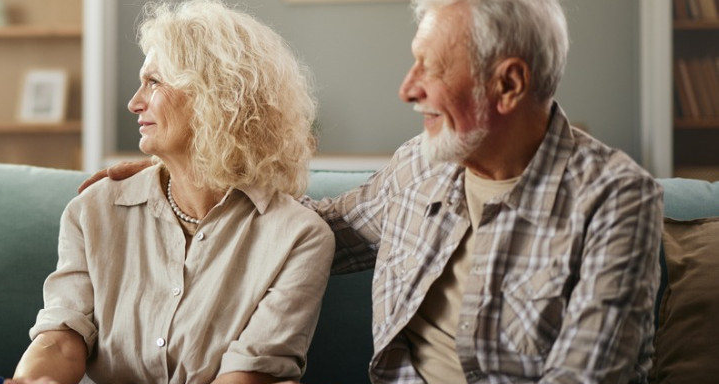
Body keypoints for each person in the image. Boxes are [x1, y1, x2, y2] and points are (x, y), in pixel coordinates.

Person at [85, 0, 663, 382]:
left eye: (429, 70)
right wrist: (184, 179)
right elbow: (300, 230)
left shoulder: (614, 200)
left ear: (508, 84)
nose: (407, 89)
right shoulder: (418, 168)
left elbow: (587, 374)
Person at [10, 1, 334, 383]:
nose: (134, 103)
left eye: (154, 82)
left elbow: (249, 376)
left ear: (216, 97)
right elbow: (62, 339)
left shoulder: (298, 237)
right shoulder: (93, 210)